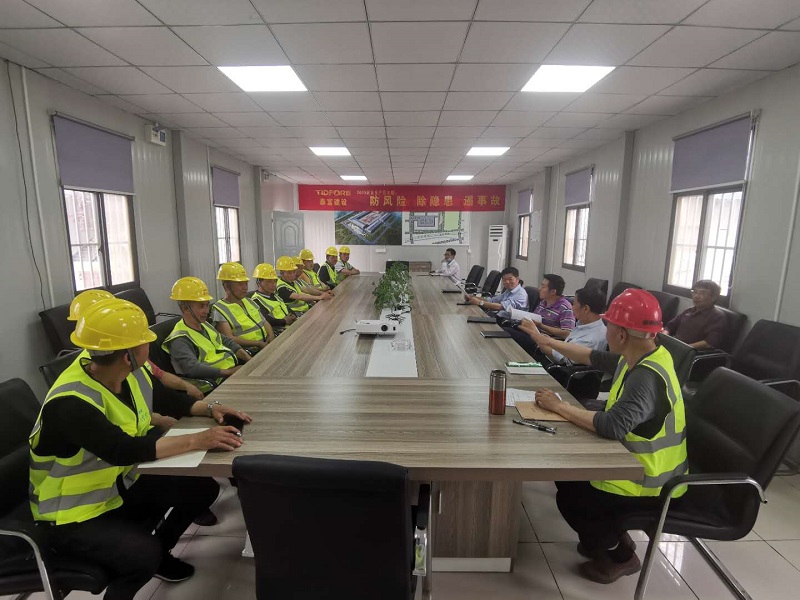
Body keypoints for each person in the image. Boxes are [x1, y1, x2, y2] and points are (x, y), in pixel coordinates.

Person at [29, 298, 251, 600]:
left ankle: (161, 553)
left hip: (117, 485)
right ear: (128, 355)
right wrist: (199, 440)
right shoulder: (70, 402)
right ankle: (147, 563)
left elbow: (167, 399)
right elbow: (124, 450)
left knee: (200, 491)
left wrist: (211, 408)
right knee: (142, 556)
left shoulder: (130, 373)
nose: (151, 346)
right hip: (70, 515)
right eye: (146, 342)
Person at [526, 289, 687, 584]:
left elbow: (612, 426)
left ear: (622, 334)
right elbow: (591, 356)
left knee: (574, 496)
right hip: (632, 463)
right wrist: (546, 340)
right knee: (567, 475)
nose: (605, 331)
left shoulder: (646, 376)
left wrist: (559, 407)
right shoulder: (643, 353)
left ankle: (619, 555)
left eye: (608, 326)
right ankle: (610, 536)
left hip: (647, 482)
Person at [163, 277, 251, 392]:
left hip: (230, 375)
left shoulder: (204, 325)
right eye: (201, 306)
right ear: (185, 308)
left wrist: (249, 359)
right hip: (214, 385)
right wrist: (228, 372)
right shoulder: (179, 339)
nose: (207, 311)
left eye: (207, 305)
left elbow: (226, 341)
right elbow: (192, 368)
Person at [519, 286, 607, 364]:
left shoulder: (590, 339)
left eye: (574, 304)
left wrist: (535, 335)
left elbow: (559, 359)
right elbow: (567, 344)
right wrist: (547, 339)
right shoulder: (585, 324)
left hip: (557, 371)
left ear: (585, 309)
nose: (572, 307)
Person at [212, 262, 274, 353]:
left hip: (266, 345)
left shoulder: (249, 301)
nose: (245, 288)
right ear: (227, 286)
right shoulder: (219, 309)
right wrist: (258, 344)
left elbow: (264, 321)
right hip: (250, 351)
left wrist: (271, 335)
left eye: (246, 283)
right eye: (240, 284)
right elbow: (229, 338)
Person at [664, 279, 727, 350]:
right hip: (675, 346)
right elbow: (669, 326)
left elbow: (709, 343)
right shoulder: (689, 311)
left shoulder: (717, 316)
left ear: (714, 297)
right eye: (695, 292)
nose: (696, 296)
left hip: (691, 352)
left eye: (702, 293)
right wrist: (664, 336)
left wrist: (684, 348)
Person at [251, 262, 297, 335]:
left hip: (289, 327)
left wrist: (293, 316)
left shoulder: (275, 295)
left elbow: (286, 308)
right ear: (259, 283)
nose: (273, 284)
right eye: (269, 281)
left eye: (275, 281)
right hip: (278, 331)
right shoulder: (256, 300)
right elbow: (266, 320)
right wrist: (284, 321)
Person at [531, 274, 575, 339]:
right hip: (534, 334)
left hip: (546, 341)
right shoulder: (543, 302)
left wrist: (542, 326)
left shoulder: (565, 308)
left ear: (553, 292)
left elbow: (567, 333)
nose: (539, 289)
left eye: (543, 287)